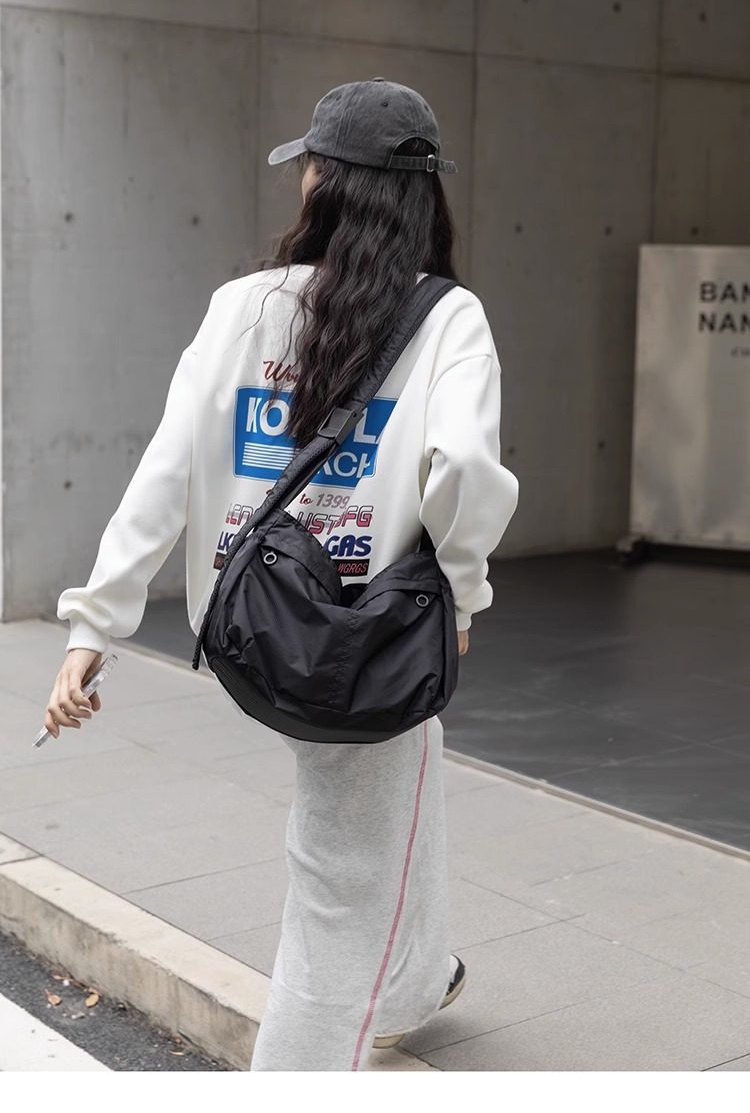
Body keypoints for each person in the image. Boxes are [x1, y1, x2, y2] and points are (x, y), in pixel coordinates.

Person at [48, 78, 520, 1070]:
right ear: (421, 195)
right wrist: (463, 593)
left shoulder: (242, 307)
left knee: (409, 750)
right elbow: (465, 472)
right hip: (363, 638)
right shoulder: (448, 319)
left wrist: (97, 625)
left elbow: (168, 467)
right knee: (337, 893)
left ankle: (414, 978)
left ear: (322, 184)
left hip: (251, 623)